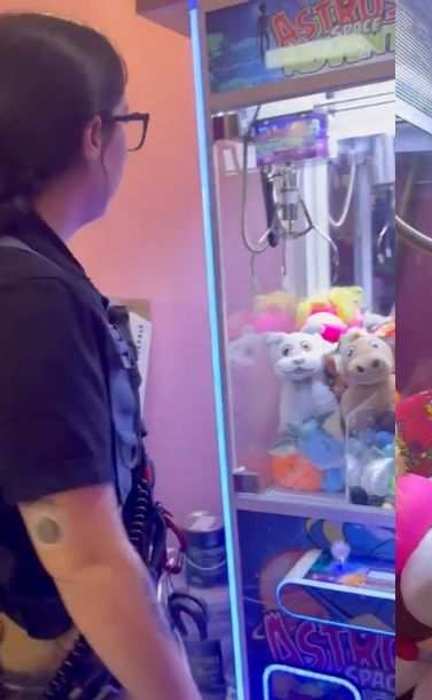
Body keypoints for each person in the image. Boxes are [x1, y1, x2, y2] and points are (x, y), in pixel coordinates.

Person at [0, 13, 199, 699]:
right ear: (94, 135)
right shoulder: (29, 294)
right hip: (41, 660)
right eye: (125, 121)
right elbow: (85, 560)